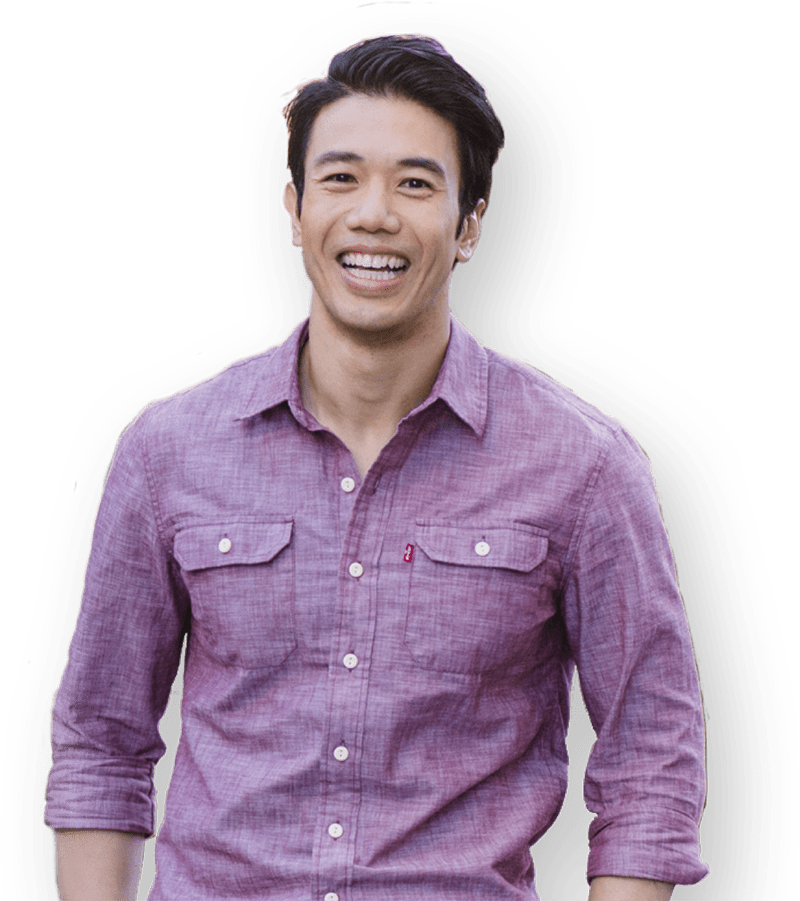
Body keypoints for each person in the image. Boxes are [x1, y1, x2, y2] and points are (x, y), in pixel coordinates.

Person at [44, 33, 709, 900]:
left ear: (468, 226)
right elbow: (100, 740)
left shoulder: (584, 463)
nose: (374, 215)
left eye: (416, 183)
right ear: (294, 210)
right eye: (341, 178)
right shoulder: (166, 447)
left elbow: (651, 757)